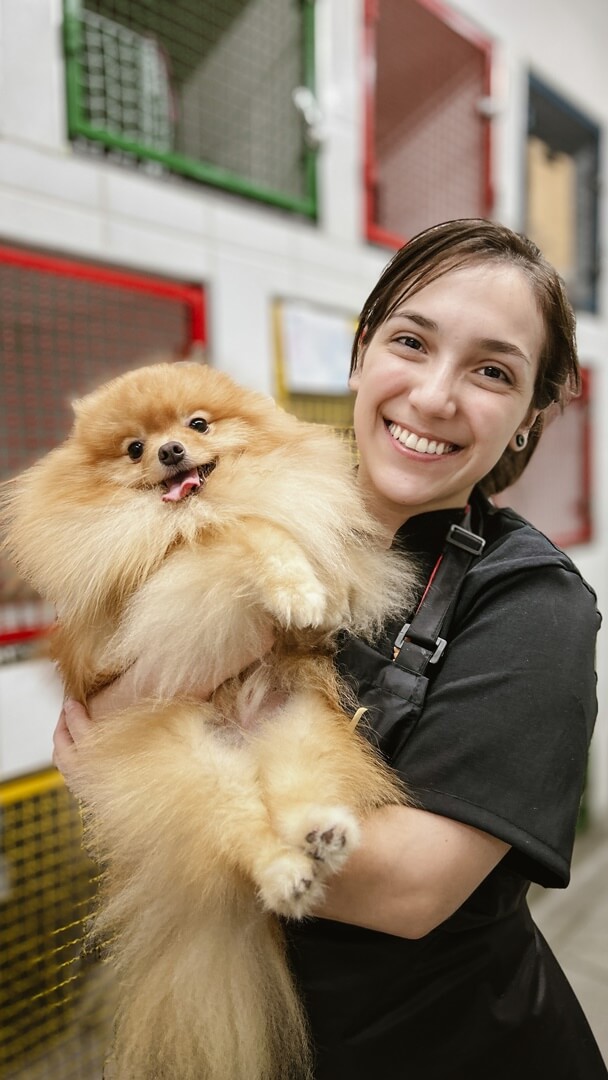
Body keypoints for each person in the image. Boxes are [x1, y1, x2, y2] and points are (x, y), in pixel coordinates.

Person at [53, 219, 607, 1079]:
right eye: (411, 342)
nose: (433, 395)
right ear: (360, 355)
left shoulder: (533, 602)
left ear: (532, 417)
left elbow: (410, 890)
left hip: (446, 1049)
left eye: (492, 371)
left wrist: (136, 781)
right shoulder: (243, 490)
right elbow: (102, 693)